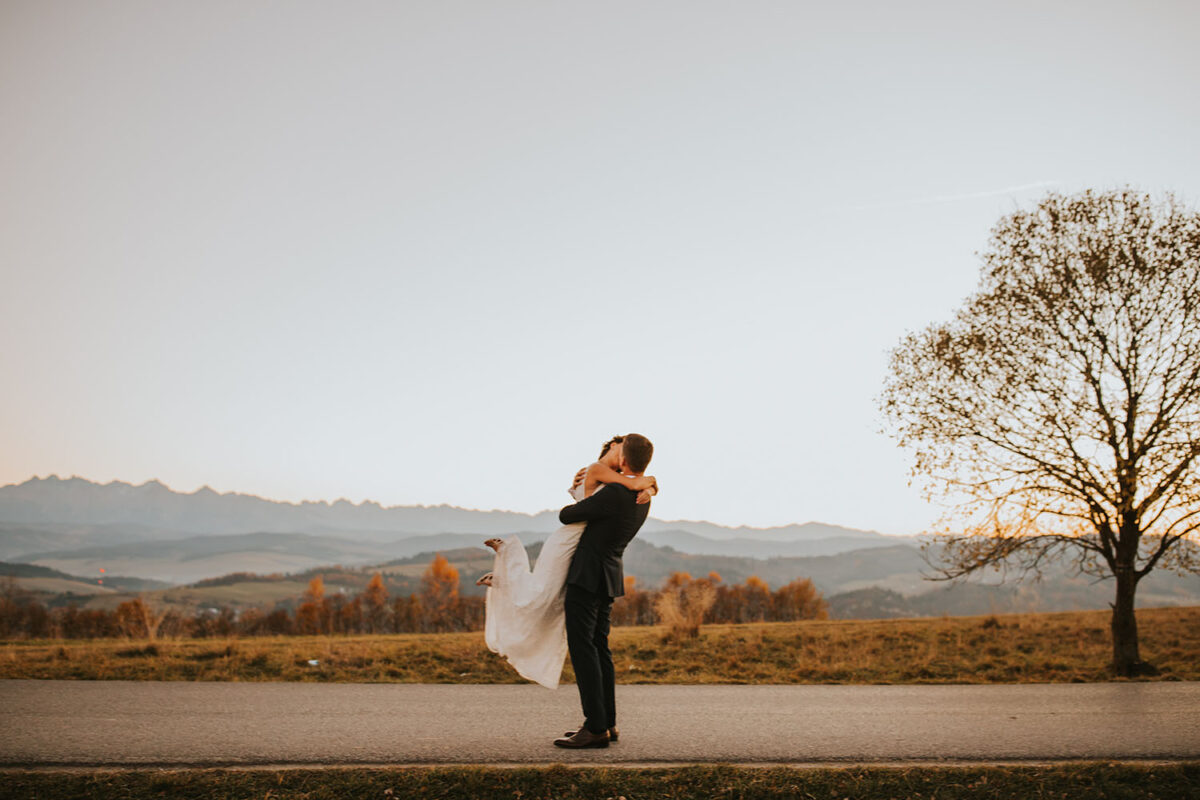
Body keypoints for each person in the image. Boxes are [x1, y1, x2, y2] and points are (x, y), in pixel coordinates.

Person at [478, 436, 656, 691]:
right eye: (620, 445)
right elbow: (630, 484)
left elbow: (624, 487)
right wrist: (647, 484)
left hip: (582, 545)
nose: (621, 452)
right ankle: (506, 563)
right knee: (544, 587)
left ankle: (506, 580)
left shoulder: (613, 479)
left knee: (549, 593)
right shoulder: (597, 470)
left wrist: (649, 486)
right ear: (612, 448)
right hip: (571, 538)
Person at [553, 432, 654, 749]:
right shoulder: (643, 497)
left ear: (623, 460)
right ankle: (607, 723)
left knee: (584, 651)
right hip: (609, 577)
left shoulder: (614, 493)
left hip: (587, 577)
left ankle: (595, 727)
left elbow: (567, 515)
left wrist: (585, 493)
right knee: (600, 650)